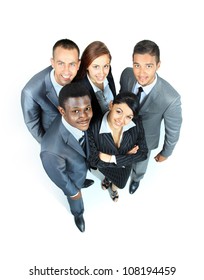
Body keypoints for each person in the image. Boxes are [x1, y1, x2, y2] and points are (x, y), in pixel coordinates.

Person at [119, 39, 182, 194]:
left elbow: (173, 131)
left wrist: (166, 153)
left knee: (140, 164)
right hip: (121, 132)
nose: (141, 73)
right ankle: (117, 174)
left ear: (158, 65)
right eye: (137, 65)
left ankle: (136, 179)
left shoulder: (171, 98)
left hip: (145, 141)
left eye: (148, 66)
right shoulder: (126, 75)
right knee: (118, 158)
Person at [40, 82, 94, 232]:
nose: (84, 116)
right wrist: (74, 192)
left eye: (87, 109)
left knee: (80, 177)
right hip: (71, 182)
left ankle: (81, 180)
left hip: (79, 170)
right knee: (75, 198)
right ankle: (78, 214)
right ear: (62, 111)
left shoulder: (80, 123)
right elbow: (60, 178)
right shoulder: (50, 151)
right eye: (76, 111)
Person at [87, 92, 148, 202]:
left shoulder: (136, 123)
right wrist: (126, 157)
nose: (121, 120)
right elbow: (93, 161)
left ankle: (113, 190)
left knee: (119, 184)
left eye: (128, 117)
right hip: (107, 167)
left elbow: (143, 153)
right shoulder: (92, 128)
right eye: (119, 111)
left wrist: (112, 158)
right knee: (107, 175)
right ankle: (107, 180)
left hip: (123, 168)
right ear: (111, 105)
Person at [21, 38, 81, 143]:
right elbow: (33, 125)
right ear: (52, 63)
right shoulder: (31, 92)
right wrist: (51, 148)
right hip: (56, 142)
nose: (66, 71)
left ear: (78, 64)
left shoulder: (81, 76)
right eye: (61, 63)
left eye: (72, 64)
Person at [74, 41, 116, 123]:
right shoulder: (79, 88)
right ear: (86, 66)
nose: (102, 73)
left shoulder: (108, 73)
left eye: (105, 66)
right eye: (96, 67)